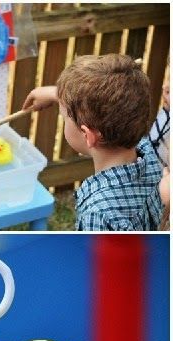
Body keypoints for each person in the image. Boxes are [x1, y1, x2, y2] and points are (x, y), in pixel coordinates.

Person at [23, 54, 163, 231]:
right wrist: (56, 94)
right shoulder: (152, 155)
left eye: (64, 117)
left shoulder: (97, 214)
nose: (64, 118)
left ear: (87, 135)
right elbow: (114, 102)